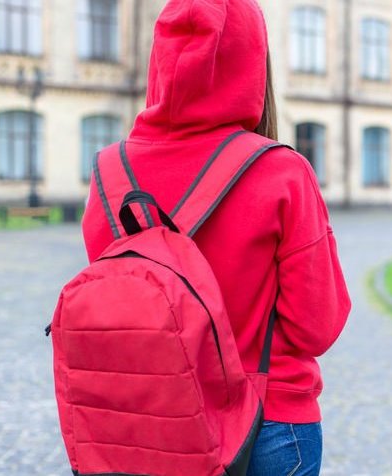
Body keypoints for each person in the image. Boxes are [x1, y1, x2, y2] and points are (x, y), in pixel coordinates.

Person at [81, 1, 352, 474]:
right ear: (253, 62)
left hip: (150, 424)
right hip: (268, 419)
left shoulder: (109, 172)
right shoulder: (282, 170)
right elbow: (318, 325)